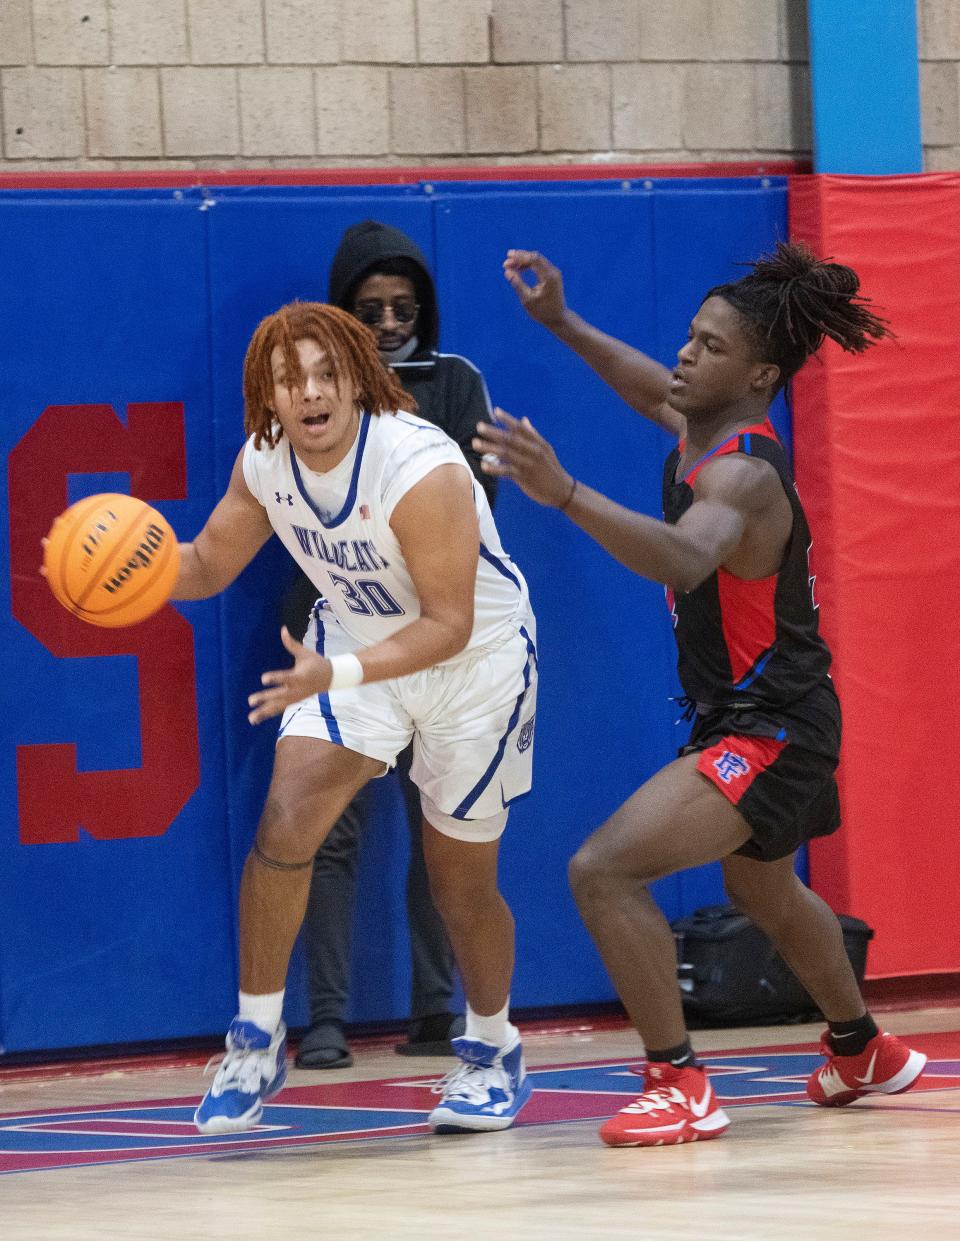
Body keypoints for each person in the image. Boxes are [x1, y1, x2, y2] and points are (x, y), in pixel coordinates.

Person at [475, 243, 927, 1148]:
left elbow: (685, 557)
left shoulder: (744, 473)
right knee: (762, 886)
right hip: (766, 713)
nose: (685, 354)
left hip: (775, 726)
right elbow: (649, 385)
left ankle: (680, 1083)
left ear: (760, 372)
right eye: (689, 335)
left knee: (603, 870)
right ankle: (861, 1049)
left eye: (709, 346)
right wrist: (562, 321)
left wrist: (562, 491)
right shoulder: (702, 425)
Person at [176, 300, 537, 1135]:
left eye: (325, 372)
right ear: (266, 395)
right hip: (353, 647)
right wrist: (127, 573)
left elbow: (446, 623)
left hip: (473, 664)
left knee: (459, 883)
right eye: (286, 378)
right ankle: (255, 1040)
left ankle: (493, 1047)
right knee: (285, 822)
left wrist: (329, 671)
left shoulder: (417, 463)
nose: (308, 391)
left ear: (357, 378)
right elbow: (203, 563)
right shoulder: (265, 461)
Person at [284, 220, 497, 1068]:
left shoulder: (453, 382)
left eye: (403, 306)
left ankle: (436, 1009)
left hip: (438, 637)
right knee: (328, 830)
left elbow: (473, 518)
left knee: (440, 822)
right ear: (342, 313)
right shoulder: (306, 392)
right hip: (333, 632)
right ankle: (326, 1017)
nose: (389, 321)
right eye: (370, 307)